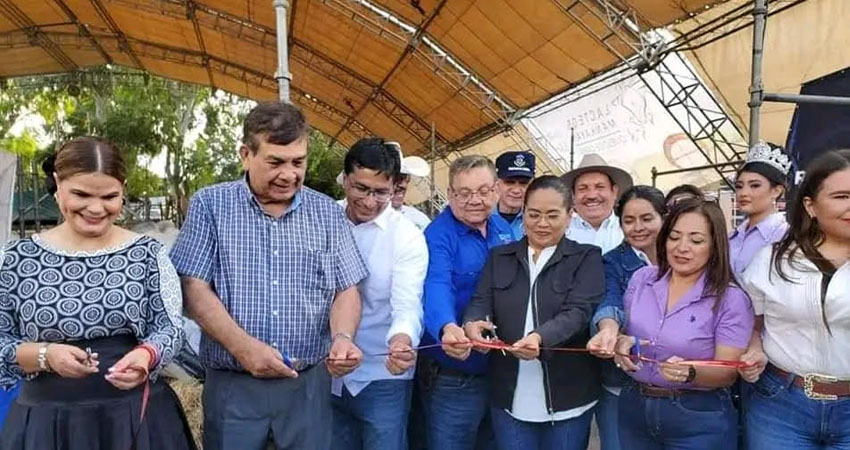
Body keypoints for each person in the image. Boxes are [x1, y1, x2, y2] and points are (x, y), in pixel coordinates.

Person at [169, 102, 368, 450]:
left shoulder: (326, 212)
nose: (289, 174)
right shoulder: (211, 207)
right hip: (234, 387)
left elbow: (345, 289)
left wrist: (342, 337)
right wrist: (243, 348)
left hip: (307, 387)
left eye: (298, 162)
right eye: (275, 162)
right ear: (246, 155)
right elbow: (191, 287)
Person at [0, 137, 195, 449]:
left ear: (123, 189)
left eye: (109, 196)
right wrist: (45, 355)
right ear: (57, 184)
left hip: (135, 420)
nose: (95, 208)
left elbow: (169, 328)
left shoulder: (146, 254)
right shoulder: (17, 259)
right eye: (81, 194)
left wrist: (146, 356)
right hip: (48, 425)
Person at [463, 176, 604, 450]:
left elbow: (579, 311)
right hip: (510, 393)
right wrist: (473, 324)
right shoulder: (500, 257)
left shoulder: (586, 257)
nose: (542, 224)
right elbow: (481, 301)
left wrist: (540, 337)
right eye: (534, 214)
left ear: (569, 216)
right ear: (523, 213)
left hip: (569, 396)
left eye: (552, 215)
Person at [613, 198, 754, 450]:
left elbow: (728, 371)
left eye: (696, 240)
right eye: (674, 237)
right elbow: (625, 330)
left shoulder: (731, 298)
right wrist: (621, 342)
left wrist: (691, 372)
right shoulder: (642, 278)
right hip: (635, 406)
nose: (682, 247)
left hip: (697, 417)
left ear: (714, 246)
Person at [738, 149, 850, 450]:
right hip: (782, 404)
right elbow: (751, 320)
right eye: (841, 196)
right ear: (810, 206)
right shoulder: (773, 261)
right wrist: (754, 346)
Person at [332, 138, 428, 450]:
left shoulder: (407, 237)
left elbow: (407, 303)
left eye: (381, 193)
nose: (370, 202)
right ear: (345, 180)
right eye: (361, 189)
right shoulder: (322, 220)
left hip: (383, 374)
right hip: (324, 371)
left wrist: (401, 340)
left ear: (395, 188)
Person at [419, 155, 514, 450]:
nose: (475, 200)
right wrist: (447, 327)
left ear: (496, 189)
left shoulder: (502, 229)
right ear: (450, 194)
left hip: (501, 371)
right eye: (465, 193)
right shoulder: (438, 235)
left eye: (484, 191)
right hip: (455, 374)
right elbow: (437, 284)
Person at [586, 185, 667, 450]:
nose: (638, 227)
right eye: (629, 221)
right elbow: (609, 301)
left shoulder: (685, 257)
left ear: (664, 217)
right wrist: (608, 330)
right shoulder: (611, 262)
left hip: (676, 383)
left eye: (647, 219)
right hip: (621, 385)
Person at [729, 142, 790, 276]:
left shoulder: (787, 237)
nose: (743, 193)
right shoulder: (731, 237)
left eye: (755, 186)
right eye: (739, 186)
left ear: (776, 191)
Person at [561, 154, 633, 254]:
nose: (592, 195)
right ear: (573, 195)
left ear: (614, 191)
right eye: (583, 188)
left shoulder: (631, 231)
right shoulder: (560, 232)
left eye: (600, 187)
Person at [494, 151, 535, 239]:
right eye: (510, 182)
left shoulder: (537, 222)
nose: (516, 190)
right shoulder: (482, 218)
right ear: (497, 184)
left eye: (523, 183)